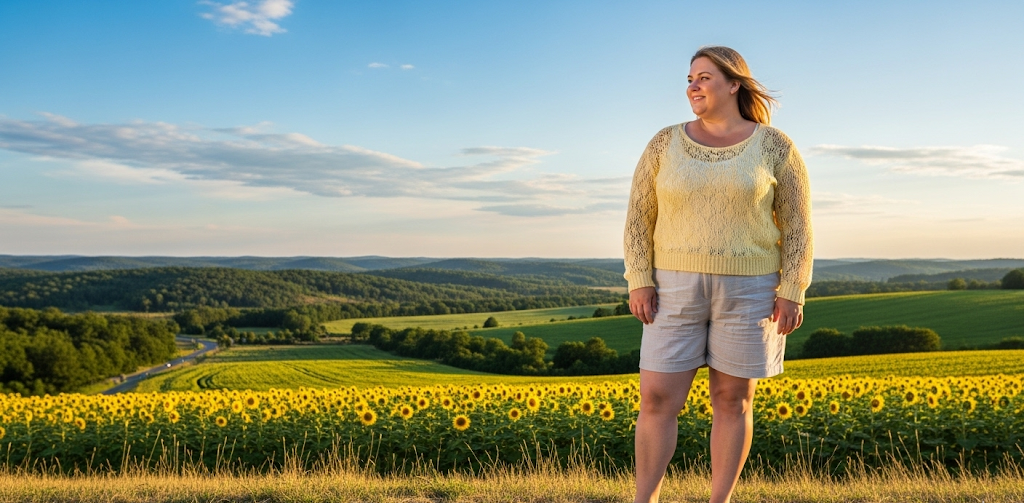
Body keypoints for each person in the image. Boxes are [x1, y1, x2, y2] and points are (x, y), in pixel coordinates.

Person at [624, 46, 813, 503]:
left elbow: (798, 224)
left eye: (705, 77)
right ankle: (643, 500)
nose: (693, 85)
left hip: (751, 291)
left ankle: (720, 501)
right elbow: (638, 217)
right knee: (656, 402)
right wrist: (639, 279)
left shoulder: (775, 146)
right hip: (672, 289)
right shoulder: (663, 143)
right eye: (690, 77)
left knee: (732, 402)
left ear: (734, 84)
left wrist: (793, 289)